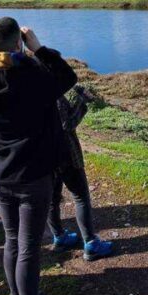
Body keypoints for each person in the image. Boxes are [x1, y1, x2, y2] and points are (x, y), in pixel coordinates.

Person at [0, 18, 77, 295]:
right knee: (29, 245)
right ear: (18, 43)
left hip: (1, 173)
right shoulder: (29, 75)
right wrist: (39, 48)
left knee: (13, 240)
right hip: (33, 172)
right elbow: (66, 77)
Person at [48, 85, 114, 261]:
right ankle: (91, 243)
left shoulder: (25, 90)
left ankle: (59, 237)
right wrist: (82, 100)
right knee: (80, 197)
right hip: (66, 155)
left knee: (52, 199)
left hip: (44, 157)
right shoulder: (50, 91)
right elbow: (67, 124)